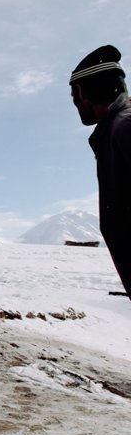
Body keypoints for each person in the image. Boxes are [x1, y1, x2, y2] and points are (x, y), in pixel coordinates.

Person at [69, 44, 131, 297]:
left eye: (73, 95)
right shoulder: (115, 129)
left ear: (82, 92)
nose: (74, 103)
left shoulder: (125, 127)